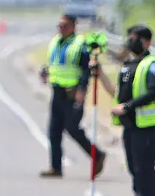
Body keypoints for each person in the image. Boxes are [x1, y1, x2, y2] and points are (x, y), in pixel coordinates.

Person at [88, 25, 155, 196]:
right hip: (131, 126)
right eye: (130, 37)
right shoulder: (129, 65)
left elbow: (154, 92)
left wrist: (128, 107)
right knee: (135, 170)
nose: (132, 40)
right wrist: (100, 74)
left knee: (144, 171)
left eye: (137, 38)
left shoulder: (152, 66)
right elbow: (118, 93)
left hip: (147, 126)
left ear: (147, 42)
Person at [39, 14, 106, 178]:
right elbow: (55, 63)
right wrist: (46, 71)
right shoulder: (55, 42)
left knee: (73, 128)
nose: (61, 28)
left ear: (73, 26)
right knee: (53, 131)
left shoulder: (80, 45)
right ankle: (56, 167)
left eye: (65, 25)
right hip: (57, 93)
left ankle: (97, 155)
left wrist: (82, 91)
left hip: (72, 94)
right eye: (59, 25)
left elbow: (85, 70)